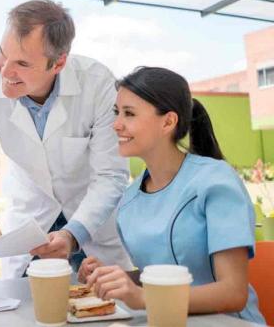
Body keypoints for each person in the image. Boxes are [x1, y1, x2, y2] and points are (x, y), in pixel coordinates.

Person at [0, 0, 132, 278]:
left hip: (91, 222)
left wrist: (73, 234)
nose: (5, 72)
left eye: (22, 63)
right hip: (31, 219)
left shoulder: (98, 84)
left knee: (106, 309)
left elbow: (111, 175)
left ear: (59, 62)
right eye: (3, 54)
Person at [80, 66, 265, 324]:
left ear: (168, 121)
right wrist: (116, 279)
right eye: (117, 112)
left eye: (129, 114)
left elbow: (233, 293)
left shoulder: (215, 182)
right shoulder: (131, 198)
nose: (116, 124)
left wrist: (143, 298)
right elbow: (160, 275)